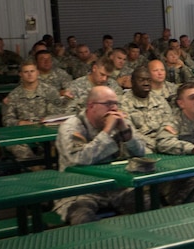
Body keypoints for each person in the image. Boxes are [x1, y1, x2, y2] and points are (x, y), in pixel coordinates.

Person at [54, 85, 147, 225]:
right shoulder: (71, 126)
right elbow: (79, 158)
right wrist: (107, 130)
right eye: (108, 104)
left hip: (117, 187)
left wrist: (126, 132)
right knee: (82, 218)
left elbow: (141, 152)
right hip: (80, 190)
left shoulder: (120, 121)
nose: (114, 109)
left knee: (148, 207)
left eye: (116, 103)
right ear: (91, 106)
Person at [2, 60, 68, 160]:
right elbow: (7, 120)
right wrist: (20, 123)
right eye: (26, 72)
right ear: (20, 74)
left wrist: (46, 121)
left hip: (46, 132)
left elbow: (58, 115)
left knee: (63, 143)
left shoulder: (50, 91)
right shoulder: (14, 95)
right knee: (17, 147)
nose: (29, 75)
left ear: (37, 72)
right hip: (23, 133)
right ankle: (36, 170)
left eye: (32, 71)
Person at [119, 66, 174, 145]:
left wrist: (163, 141)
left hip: (163, 142)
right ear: (132, 82)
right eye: (141, 80)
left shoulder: (160, 100)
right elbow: (130, 132)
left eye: (149, 80)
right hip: (140, 145)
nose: (146, 83)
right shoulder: (122, 102)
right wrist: (154, 144)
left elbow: (169, 123)